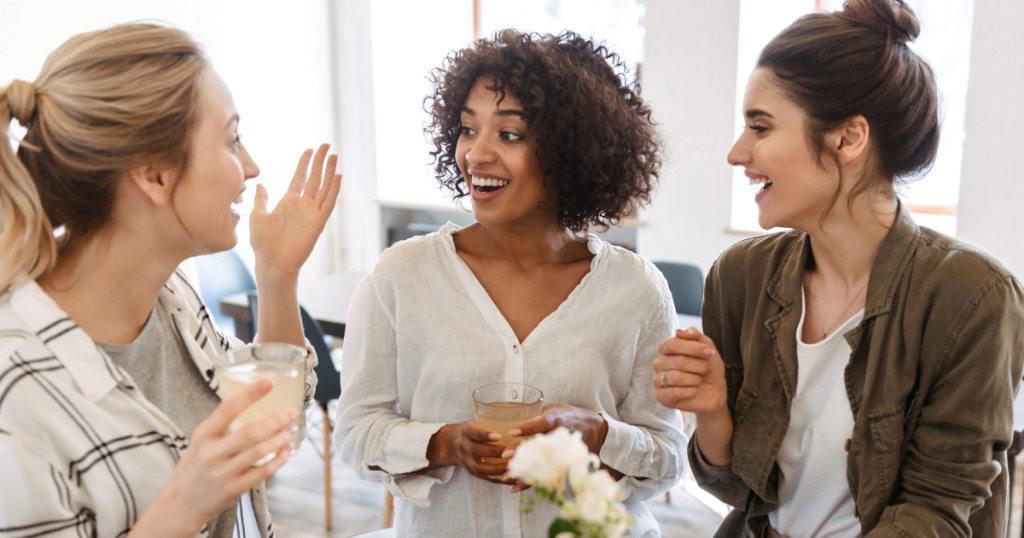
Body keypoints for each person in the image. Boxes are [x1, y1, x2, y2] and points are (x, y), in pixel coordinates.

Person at [651, 1, 1024, 536]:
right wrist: (711, 411)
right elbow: (733, 488)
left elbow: (938, 511)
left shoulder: (974, 297)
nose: (737, 153)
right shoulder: (740, 277)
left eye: (760, 127)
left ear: (848, 138)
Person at [336, 30, 685, 537]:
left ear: (570, 151)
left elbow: (669, 458)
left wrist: (597, 433)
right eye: (467, 130)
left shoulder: (635, 290)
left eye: (510, 135)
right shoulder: (403, 275)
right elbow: (353, 433)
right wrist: (443, 443)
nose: (475, 155)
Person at [0, 23, 341, 538]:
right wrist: (182, 507)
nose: (250, 167)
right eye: (231, 140)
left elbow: (270, 419)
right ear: (154, 175)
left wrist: (277, 274)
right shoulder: (17, 393)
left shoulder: (172, 299)